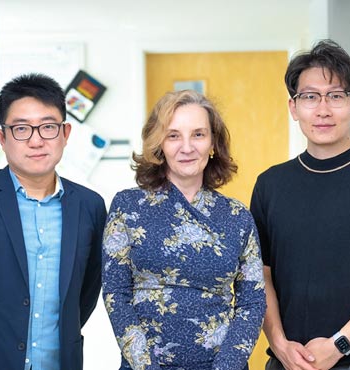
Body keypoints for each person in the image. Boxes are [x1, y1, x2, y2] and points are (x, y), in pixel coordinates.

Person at [102, 89, 266, 370]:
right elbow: (116, 291)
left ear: (213, 143)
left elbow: (252, 301)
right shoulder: (127, 205)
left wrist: (227, 366)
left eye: (198, 134)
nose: (187, 147)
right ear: (159, 144)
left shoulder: (237, 216)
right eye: (173, 135)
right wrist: (146, 365)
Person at [250, 39, 350, 370]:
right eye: (310, 97)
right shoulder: (270, 184)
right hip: (287, 362)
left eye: (336, 96)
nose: (323, 109)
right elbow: (261, 274)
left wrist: (339, 344)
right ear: (293, 107)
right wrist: (279, 344)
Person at [0, 73, 107, 370]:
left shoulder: (90, 206)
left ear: (65, 134)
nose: (36, 140)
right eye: (21, 129)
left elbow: (87, 291)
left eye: (48, 127)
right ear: (2, 138)